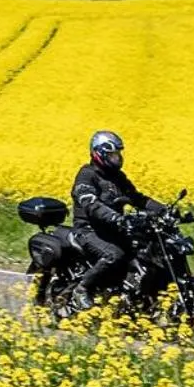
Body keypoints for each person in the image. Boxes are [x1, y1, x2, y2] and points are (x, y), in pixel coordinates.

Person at [68, 129, 162, 309]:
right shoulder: (87, 175)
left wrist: (167, 210)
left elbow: (137, 198)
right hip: (89, 230)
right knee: (114, 255)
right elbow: (91, 204)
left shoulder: (117, 177)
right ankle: (82, 289)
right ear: (99, 154)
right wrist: (115, 217)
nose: (117, 158)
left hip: (113, 229)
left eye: (118, 154)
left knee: (145, 250)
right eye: (112, 154)